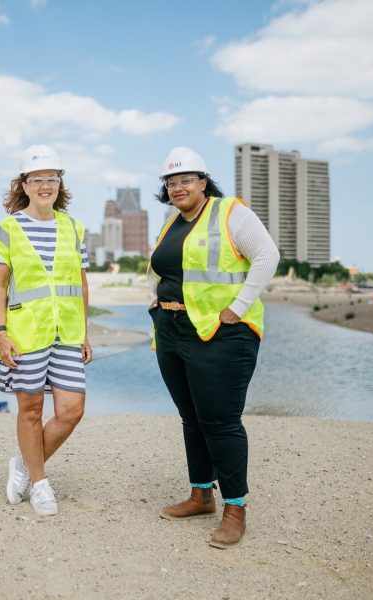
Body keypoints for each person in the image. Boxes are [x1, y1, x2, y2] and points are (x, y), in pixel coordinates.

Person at [148, 146, 279, 548]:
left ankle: (234, 509)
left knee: (220, 420)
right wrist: (154, 303)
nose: (178, 187)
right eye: (171, 182)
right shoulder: (172, 222)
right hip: (172, 328)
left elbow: (267, 256)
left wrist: (237, 309)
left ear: (203, 182)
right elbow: (165, 268)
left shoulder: (230, 212)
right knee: (192, 417)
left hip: (222, 333)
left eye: (186, 180)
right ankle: (201, 495)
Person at [0, 144, 92, 517]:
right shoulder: (8, 229)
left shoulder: (74, 227)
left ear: (60, 183)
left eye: (52, 178)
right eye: (38, 179)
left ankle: (24, 465)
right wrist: (0, 332)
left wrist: (85, 332)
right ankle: (41, 484)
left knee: (71, 410)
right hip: (25, 334)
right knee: (30, 409)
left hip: (67, 333)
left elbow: (80, 283)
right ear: (25, 185)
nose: (46, 185)